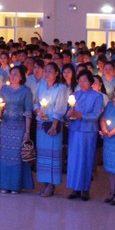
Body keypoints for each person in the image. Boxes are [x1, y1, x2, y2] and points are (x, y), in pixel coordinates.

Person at [0, 65, 34, 194]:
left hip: (19, 126)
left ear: (21, 77)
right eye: (11, 74)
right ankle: (4, 183)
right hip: (5, 125)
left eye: (16, 74)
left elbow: (28, 112)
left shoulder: (26, 91)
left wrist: (27, 131)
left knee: (17, 155)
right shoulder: (4, 89)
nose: (12, 76)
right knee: (5, 153)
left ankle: (15, 184)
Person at [65, 70, 103, 201]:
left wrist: (81, 115)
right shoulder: (75, 95)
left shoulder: (97, 96)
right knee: (74, 159)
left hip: (88, 132)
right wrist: (70, 114)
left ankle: (85, 188)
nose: (82, 83)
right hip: (75, 130)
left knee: (86, 158)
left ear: (91, 82)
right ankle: (75, 187)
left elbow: (96, 115)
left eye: (85, 80)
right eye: (80, 81)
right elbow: (68, 113)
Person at [34, 62, 69, 197]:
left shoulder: (60, 88)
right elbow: (35, 103)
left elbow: (60, 109)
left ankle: (51, 184)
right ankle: (44, 183)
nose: (47, 73)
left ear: (56, 73)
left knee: (52, 155)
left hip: (53, 125)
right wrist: (39, 112)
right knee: (42, 154)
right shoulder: (41, 85)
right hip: (41, 123)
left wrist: (54, 125)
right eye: (46, 71)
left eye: (50, 71)